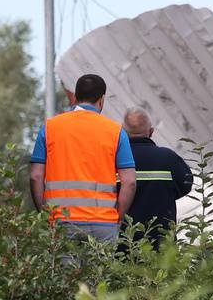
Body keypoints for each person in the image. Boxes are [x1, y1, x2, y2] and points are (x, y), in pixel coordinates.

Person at [30, 73, 136, 245]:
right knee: (101, 272)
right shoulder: (115, 131)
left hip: (60, 220)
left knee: (65, 272)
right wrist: (117, 217)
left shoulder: (50, 128)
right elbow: (130, 182)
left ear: (76, 97)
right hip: (103, 223)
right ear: (102, 100)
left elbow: (35, 176)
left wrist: (45, 214)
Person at [119, 107, 192, 247]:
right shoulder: (168, 158)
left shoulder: (114, 161)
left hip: (125, 245)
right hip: (162, 247)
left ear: (122, 132)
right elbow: (186, 184)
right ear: (151, 131)